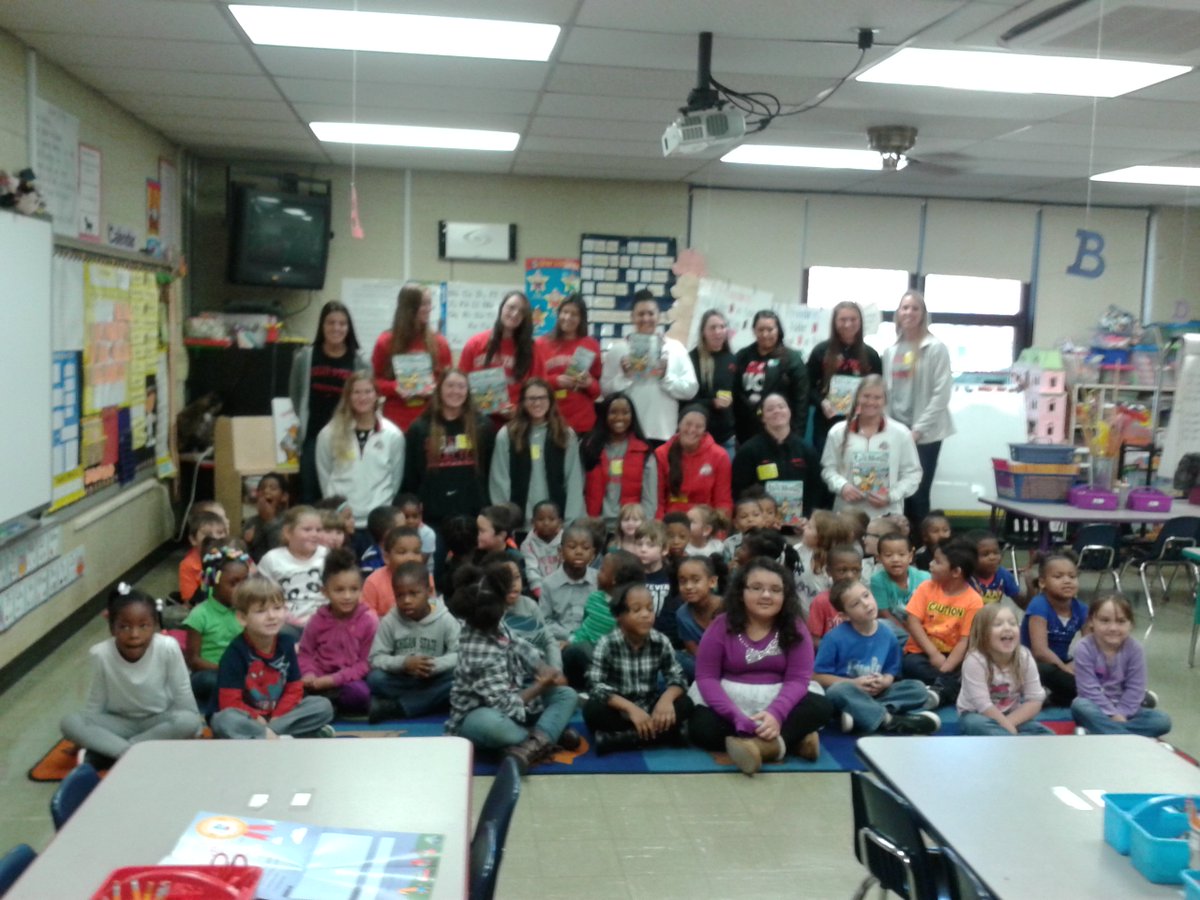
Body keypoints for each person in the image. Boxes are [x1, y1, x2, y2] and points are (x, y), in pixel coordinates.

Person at [687, 557, 833, 775]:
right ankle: (795, 741)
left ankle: (761, 747)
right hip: (730, 701)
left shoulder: (795, 627)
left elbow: (798, 679)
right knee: (700, 728)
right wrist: (735, 716)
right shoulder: (721, 624)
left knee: (822, 707)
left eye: (775, 590)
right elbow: (706, 677)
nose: (766, 595)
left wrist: (776, 714)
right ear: (741, 592)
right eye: (756, 588)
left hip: (779, 699)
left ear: (785, 596)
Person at [445, 563, 580, 774]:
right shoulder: (478, 650)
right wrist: (541, 684)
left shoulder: (494, 623)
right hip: (479, 715)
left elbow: (521, 646)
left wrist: (545, 668)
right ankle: (544, 736)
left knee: (567, 695)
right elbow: (504, 706)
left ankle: (527, 746)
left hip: (516, 700)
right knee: (492, 725)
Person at [61, 585, 203, 768]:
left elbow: (182, 691)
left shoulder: (168, 647)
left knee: (188, 721)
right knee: (71, 722)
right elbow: (96, 700)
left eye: (143, 626)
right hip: (119, 722)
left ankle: (113, 753)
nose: (134, 635)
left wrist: (194, 731)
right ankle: (133, 752)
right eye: (124, 627)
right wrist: (86, 736)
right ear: (112, 628)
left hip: (158, 721)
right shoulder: (100, 654)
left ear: (155, 626)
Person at [210, 574, 335, 739]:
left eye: (277, 608)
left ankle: (268, 735)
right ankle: (287, 734)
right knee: (223, 720)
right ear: (242, 617)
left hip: (280, 716)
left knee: (322, 706)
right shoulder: (235, 652)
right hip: (248, 719)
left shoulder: (286, 643)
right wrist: (257, 719)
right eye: (261, 611)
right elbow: (229, 701)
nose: (271, 616)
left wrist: (277, 717)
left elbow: (294, 688)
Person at [813, 579, 940, 736]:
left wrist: (885, 681)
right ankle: (890, 721)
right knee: (837, 692)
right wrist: (853, 683)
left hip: (877, 694)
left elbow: (891, 671)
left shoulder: (888, 635)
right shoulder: (833, 639)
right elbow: (817, 676)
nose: (866, 604)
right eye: (855, 604)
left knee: (918, 689)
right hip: (848, 692)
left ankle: (859, 714)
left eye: (866, 596)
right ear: (844, 616)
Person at [583, 582, 693, 754]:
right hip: (620, 711)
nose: (645, 615)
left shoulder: (660, 641)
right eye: (636, 610)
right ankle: (667, 736)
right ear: (619, 616)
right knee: (593, 710)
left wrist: (666, 700)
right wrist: (630, 709)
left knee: (685, 704)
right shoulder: (607, 643)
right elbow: (595, 685)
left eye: (650, 609)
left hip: (651, 708)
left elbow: (677, 676)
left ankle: (621, 739)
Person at [882, 290, 954, 525]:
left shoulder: (935, 348)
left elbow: (941, 394)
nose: (909, 312)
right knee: (897, 490)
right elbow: (885, 393)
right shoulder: (892, 351)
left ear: (923, 314)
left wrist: (918, 430)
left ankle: (921, 549)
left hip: (926, 435)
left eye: (915, 308)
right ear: (898, 314)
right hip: (897, 431)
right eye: (905, 308)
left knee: (918, 494)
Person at [290, 300, 368, 502]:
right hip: (312, 437)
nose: (336, 328)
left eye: (342, 323)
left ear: (348, 328)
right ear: (322, 326)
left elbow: (367, 398)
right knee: (309, 493)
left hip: (346, 436)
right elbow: (295, 395)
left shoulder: (359, 361)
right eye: (331, 323)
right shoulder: (305, 357)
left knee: (340, 495)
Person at [366, 560, 461, 723]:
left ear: (429, 592)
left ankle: (398, 707)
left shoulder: (445, 619)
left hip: (434, 678)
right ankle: (426, 703)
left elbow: (459, 654)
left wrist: (434, 665)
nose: (407, 600)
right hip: (404, 679)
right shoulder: (390, 620)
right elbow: (376, 659)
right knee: (375, 679)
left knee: (458, 677)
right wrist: (404, 663)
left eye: (413, 593)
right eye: (400, 595)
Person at [401, 368, 494, 532]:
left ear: (468, 391)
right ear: (439, 389)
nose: (455, 391)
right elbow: (411, 476)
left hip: (474, 514)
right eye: (450, 386)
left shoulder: (483, 426)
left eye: (461, 386)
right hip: (432, 517)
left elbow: (490, 472)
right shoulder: (420, 427)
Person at [600, 290, 697, 443]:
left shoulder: (676, 349)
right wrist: (624, 377)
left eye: (651, 313)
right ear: (632, 317)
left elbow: (691, 390)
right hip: (627, 434)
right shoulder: (618, 350)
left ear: (658, 316)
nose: (646, 318)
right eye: (640, 314)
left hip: (664, 434)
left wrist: (666, 375)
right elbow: (605, 391)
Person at [821, 375, 921, 518]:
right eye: (866, 396)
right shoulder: (837, 432)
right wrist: (842, 486)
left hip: (887, 514)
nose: (871, 402)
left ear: (885, 400)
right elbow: (828, 469)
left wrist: (891, 496)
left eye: (877, 397)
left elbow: (913, 474)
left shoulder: (901, 433)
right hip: (847, 514)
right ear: (857, 398)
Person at [1071, 594, 1171, 738]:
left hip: (1127, 710)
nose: (1113, 628)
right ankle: (1128, 738)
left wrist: (1122, 714)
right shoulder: (1084, 648)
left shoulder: (1135, 649)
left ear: (1130, 624)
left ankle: (1101, 732)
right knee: (1080, 706)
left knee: (1162, 721)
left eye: (1121, 621)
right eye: (1105, 621)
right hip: (1095, 707)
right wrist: (1111, 713)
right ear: (1092, 621)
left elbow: (1135, 688)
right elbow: (1088, 689)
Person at [315, 373, 405, 529]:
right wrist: (336, 510)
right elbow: (324, 474)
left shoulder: (393, 435)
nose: (362, 397)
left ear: (377, 395)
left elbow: (395, 480)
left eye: (368, 391)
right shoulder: (329, 433)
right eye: (356, 392)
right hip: (342, 520)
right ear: (348, 396)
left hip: (379, 521)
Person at [489, 378, 585, 524]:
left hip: (556, 523)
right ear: (522, 402)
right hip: (519, 521)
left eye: (542, 398)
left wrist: (570, 521)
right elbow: (499, 480)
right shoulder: (507, 434)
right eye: (531, 398)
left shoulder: (565, 434)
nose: (537, 403)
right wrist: (504, 519)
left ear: (551, 400)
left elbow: (573, 480)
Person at [901, 538, 983, 707]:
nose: (930, 564)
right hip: (923, 651)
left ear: (956, 572)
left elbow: (964, 640)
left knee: (972, 666)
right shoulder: (926, 587)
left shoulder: (974, 600)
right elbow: (913, 622)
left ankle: (938, 689)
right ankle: (947, 687)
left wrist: (946, 667)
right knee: (910, 665)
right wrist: (933, 654)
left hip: (953, 657)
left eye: (937, 562)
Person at [297, 548, 378, 717]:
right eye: (339, 590)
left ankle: (326, 706)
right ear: (325, 591)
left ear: (361, 589)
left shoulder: (368, 621)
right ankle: (325, 706)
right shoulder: (317, 620)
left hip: (348, 681)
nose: (347, 596)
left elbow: (365, 663)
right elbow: (305, 654)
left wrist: (333, 680)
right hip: (318, 678)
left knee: (359, 694)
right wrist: (309, 674)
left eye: (354, 589)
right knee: (293, 689)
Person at [957, 604, 1051, 736]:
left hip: (1011, 715)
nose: (1007, 628)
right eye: (997, 624)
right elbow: (983, 705)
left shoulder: (1024, 656)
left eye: (1013, 623)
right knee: (976, 724)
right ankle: (1015, 745)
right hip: (977, 714)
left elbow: (1035, 700)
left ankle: (1006, 743)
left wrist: (1008, 726)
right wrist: (1010, 732)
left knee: (1045, 734)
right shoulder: (975, 660)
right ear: (983, 633)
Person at [806, 301, 882, 458]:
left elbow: (879, 391)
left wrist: (867, 405)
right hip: (826, 423)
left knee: (856, 469)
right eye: (842, 319)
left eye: (853, 319)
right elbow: (807, 386)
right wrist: (822, 402)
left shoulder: (871, 355)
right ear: (834, 322)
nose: (848, 324)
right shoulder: (821, 351)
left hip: (861, 423)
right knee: (826, 470)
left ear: (860, 322)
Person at [371, 283, 452, 431]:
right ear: (408, 308)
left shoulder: (439, 342)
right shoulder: (386, 341)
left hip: (430, 419)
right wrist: (396, 387)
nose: (429, 309)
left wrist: (433, 387)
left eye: (429, 304)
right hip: (395, 420)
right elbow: (374, 381)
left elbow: (448, 381)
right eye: (423, 304)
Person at [561, 547, 640, 690]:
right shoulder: (594, 598)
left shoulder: (627, 611)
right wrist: (569, 641)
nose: (597, 574)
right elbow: (584, 628)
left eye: (602, 570)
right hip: (581, 655)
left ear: (614, 580)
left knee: (581, 649)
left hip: (609, 662)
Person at [459, 290, 544, 421]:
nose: (515, 314)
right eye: (511, 307)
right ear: (501, 308)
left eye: (521, 311)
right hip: (477, 421)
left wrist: (518, 411)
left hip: (515, 423)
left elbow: (540, 390)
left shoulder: (532, 350)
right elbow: (460, 383)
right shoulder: (475, 344)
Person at [731, 392, 821, 515]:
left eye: (781, 407)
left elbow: (815, 489)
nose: (777, 411)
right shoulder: (748, 451)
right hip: (761, 525)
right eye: (770, 409)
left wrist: (807, 517)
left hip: (799, 524)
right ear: (762, 417)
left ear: (789, 412)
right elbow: (740, 491)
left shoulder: (806, 450)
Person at [183, 544, 250, 708]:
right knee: (209, 681)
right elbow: (193, 660)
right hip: (211, 673)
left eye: (245, 582)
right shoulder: (200, 614)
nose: (240, 589)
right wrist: (226, 669)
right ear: (214, 582)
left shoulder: (248, 611)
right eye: (233, 583)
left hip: (245, 672)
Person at [1019, 551, 1087, 707]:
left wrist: (1076, 666)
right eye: (1058, 577)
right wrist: (1065, 670)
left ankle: (1063, 695)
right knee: (1044, 670)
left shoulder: (1082, 609)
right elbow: (1040, 651)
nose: (1067, 581)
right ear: (1042, 582)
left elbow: (1091, 648)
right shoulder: (1039, 605)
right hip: (1035, 665)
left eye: (1072, 577)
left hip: (1063, 663)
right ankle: (1095, 693)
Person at [581, 393, 658, 526]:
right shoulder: (588, 446)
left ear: (632, 416)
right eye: (613, 412)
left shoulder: (644, 451)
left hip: (630, 527)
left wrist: (643, 527)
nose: (619, 417)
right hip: (595, 526)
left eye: (625, 412)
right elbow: (578, 490)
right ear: (604, 415)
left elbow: (650, 499)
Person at [731, 311, 807, 445]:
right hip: (745, 431)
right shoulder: (742, 356)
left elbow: (801, 400)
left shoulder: (792, 359)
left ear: (778, 330)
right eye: (760, 330)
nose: (765, 334)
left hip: (779, 431)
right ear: (754, 331)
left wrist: (796, 436)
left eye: (770, 329)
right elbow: (734, 390)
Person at [535, 293, 602, 434]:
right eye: (565, 312)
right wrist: (555, 381)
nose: (568, 318)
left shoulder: (591, 345)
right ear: (558, 314)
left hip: (582, 424)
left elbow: (597, 390)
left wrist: (589, 383)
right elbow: (532, 382)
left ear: (581, 319)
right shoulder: (541, 344)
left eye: (574, 314)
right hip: (548, 421)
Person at [257, 506, 329, 635]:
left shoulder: (328, 556)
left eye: (318, 530)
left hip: (324, 622)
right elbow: (259, 593)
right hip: (285, 624)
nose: (314, 534)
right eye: (307, 529)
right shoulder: (272, 559)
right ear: (287, 532)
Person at [654, 405, 732, 517]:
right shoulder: (661, 454)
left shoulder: (719, 456)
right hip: (671, 522)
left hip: (705, 524)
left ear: (705, 430)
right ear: (679, 425)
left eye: (699, 426)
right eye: (688, 424)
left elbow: (723, 501)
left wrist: (718, 533)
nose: (692, 430)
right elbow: (658, 502)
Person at [540, 524, 600, 652]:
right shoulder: (549, 584)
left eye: (585, 548)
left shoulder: (599, 580)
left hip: (593, 641)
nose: (579, 552)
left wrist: (582, 638)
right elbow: (545, 621)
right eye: (572, 547)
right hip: (561, 643)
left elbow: (605, 616)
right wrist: (570, 637)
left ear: (593, 554)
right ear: (560, 552)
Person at [688, 309, 738, 456]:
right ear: (703, 332)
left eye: (722, 327)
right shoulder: (691, 359)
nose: (718, 332)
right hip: (697, 436)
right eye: (712, 327)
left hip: (726, 438)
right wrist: (712, 403)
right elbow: (685, 399)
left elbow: (737, 397)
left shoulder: (732, 359)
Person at [869, 532, 929, 641]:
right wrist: (908, 633)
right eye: (888, 555)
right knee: (881, 624)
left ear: (910, 556)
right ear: (879, 558)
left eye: (901, 554)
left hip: (923, 626)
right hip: (896, 627)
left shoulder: (924, 578)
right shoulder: (877, 580)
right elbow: (884, 613)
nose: (895, 559)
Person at [674, 553, 724, 681]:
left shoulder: (728, 608)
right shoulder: (682, 614)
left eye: (696, 580)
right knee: (675, 656)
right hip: (704, 665)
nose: (688, 587)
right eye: (683, 581)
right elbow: (696, 652)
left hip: (732, 663)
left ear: (712, 582)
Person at [361, 526, 426, 618]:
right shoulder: (373, 583)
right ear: (386, 557)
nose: (411, 558)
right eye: (402, 552)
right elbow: (366, 618)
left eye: (416, 552)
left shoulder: (425, 577)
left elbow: (432, 608)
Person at [178, 508, 228, 603]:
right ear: (193, 539)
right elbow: (190, 602)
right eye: (207, 534)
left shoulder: (232, 554)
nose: (214, 538)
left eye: (220, 533)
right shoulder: (188, 565)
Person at [967, 530, 1023, 606]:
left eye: (996, 553)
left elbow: (1021, 602)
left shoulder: (1003, 575)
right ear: (970, 557)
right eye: (985, 554)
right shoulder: (965, 577)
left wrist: (1030, 586)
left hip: (992, 616)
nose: (992, 558)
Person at [243, 473, 289, 562]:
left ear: (284, 497)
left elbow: (280, 554)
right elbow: (244, 555)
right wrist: (246, 542)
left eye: (273, 488)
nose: (266, 491)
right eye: (261, 489)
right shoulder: (251, 522)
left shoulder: (289, 520)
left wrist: (270, 520)